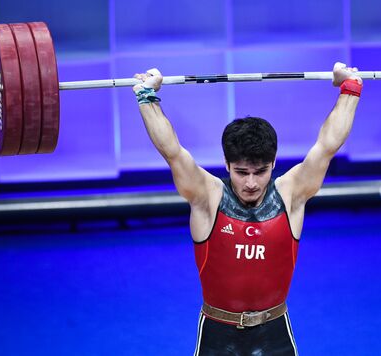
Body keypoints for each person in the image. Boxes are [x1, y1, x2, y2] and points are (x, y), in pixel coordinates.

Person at [133, 63, 362, 355]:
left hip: (274, 335)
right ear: (227, 164)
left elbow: (327, 146)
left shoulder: (290, 194)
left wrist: (350, 88)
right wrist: (146, 96)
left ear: (274, 162)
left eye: (260, 171)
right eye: (241, 172)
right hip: (218, 337)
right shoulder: (208, 196)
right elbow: (173, 152)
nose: (251, 182)